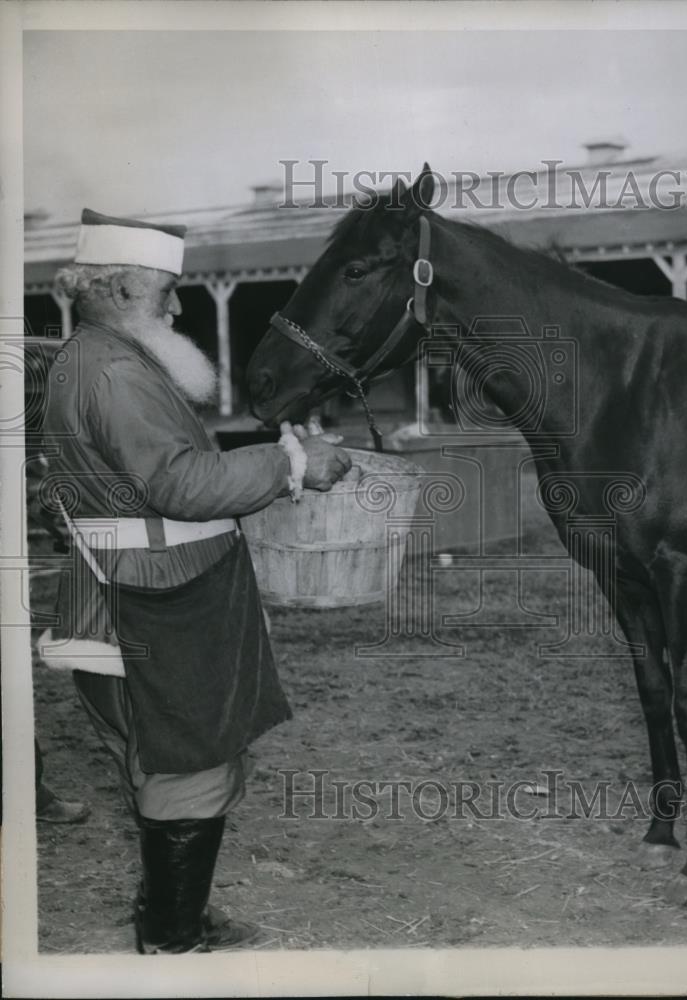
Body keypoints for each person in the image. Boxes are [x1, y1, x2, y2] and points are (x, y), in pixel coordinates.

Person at [37, 208, 350, 953]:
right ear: (114, 287)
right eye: (168, 291)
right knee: (186, 770)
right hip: (157, 601)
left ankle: (166, 918)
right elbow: (182, 484)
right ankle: (173, 943)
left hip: (126, 589)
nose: (179, 307)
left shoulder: (99, 357)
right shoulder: (116, 371)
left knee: (158, 764)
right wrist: (295, 465)